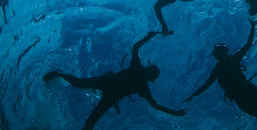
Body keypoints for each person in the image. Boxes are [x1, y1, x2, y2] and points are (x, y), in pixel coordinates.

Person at [43, 31, 186, 130]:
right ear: (151, 78)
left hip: (108, 85)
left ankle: (58, 73)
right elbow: (156, 106)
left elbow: (136, 47)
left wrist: (148, 37)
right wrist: (175, 112)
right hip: (111, 92)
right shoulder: (142, 84)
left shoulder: (139, 73)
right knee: (91, 118)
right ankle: (58, 74)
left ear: (149, 71)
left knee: (78, 86)